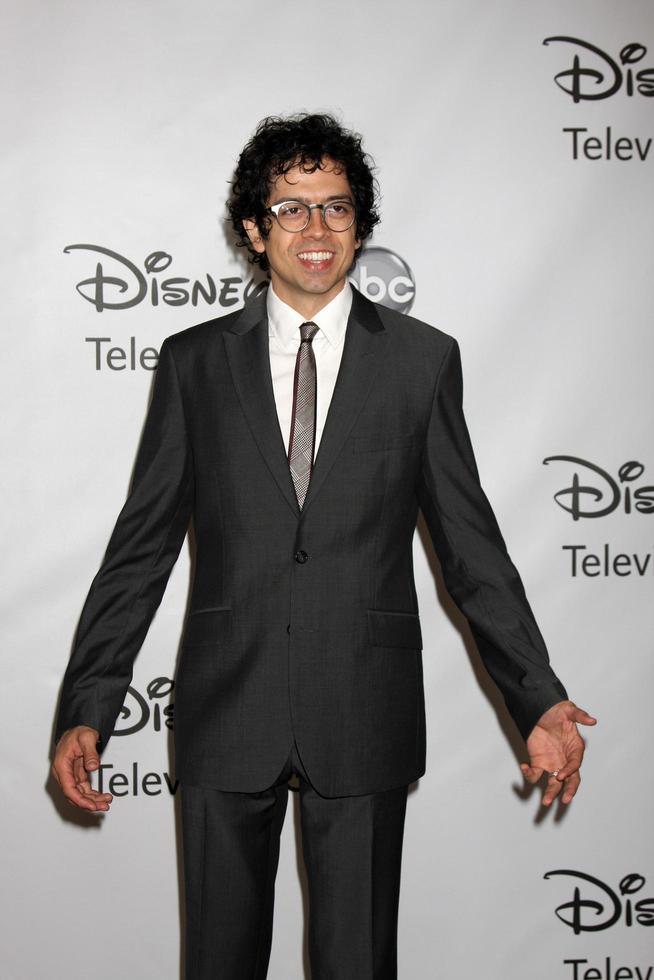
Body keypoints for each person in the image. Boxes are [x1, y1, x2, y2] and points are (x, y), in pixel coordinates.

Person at [52, 113, 596, 980]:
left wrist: (538, 699)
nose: (316, 231)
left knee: (356, 966)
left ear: (360, 225)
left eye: (336, 209)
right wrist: (89, 702)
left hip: (364, 709)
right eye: (292, 209)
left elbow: (471, 547)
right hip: (227, 709)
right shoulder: (194, 364)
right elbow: (141, 547)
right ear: (254, 228)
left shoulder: (422, 362)